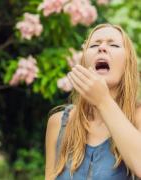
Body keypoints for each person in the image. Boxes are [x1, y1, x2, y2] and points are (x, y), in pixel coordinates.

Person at [45, 24, 141, 180]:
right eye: (95, 45)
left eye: (114, 45)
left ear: (127, 64)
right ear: (84, 62)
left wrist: (103, 101)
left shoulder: (138, 117)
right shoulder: (59, 123)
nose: (102, 48)